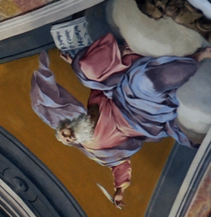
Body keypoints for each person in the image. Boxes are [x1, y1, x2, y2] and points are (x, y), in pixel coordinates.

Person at [30, 34, 211, 206]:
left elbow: (99, 89)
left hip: (118, 94)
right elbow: (118, 164)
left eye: (64, 134)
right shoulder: (95, 148)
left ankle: (120, 53)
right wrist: (120, 189)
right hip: (138, 117)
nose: (68, 138)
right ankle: (197, 58)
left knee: (85, 70)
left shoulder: (90, 110)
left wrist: (75, 64)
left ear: (68, 124)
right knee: (143, 83)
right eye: (68, 141)